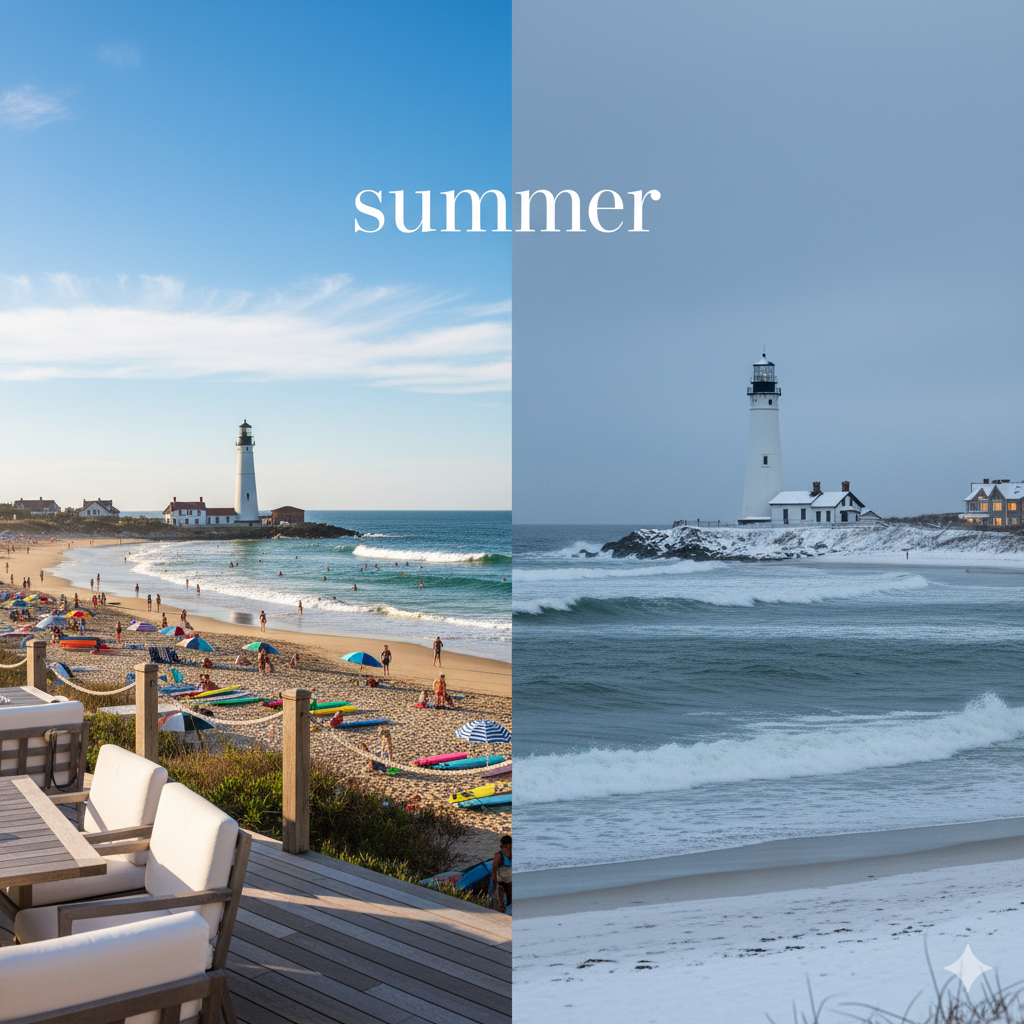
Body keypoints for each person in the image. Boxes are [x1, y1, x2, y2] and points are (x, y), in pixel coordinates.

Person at [491, 836, 512, 912]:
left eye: (510, 847)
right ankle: (501, 907)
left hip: (511, 880)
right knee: (501, 891)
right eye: (506, 847)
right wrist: (495, 883)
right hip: (502, 881)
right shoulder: (499, 856)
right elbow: (493, 872)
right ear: (502, 847)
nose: (508, 850)